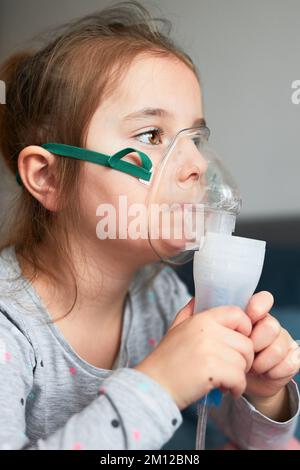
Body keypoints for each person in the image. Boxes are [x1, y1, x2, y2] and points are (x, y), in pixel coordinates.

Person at [0, 1, 298, 450]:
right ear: (49, 177)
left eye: (195, 138)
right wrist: (159, 383)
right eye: (151, 136)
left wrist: (263, 393)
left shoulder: (160, 297)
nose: (197, 163)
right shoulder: (10, 329)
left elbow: (261, 442)